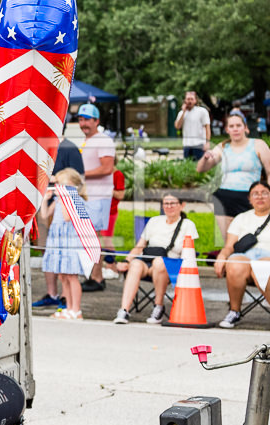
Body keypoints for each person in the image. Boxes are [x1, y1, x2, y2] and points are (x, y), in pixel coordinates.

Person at [213, 181, 270, 331]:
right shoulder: (241, 218)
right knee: (233, 263)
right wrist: (222, 257)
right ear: (249, 199)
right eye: (255, 194)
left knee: (261, 266)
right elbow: (229, 246)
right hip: (246, 258)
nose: (260, 197)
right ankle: (234, 311)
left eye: (264, 193)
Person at [112, 194, 198, 324]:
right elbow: (140, 246)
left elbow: (189, 251)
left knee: (159, 262)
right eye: (166, 204)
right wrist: (126, 260)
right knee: (135, 264)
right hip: (148, 261)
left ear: (182, 205)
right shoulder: (154, 221)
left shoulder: (187, 224)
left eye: (172, 203)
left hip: (172, 265)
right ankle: (124, 310)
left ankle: (158, 307)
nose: (169, 207)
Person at [197, 111, 270, 243]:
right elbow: (201, 169)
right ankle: (229, 261)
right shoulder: (222, 147)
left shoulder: (258, 144)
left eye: (238, 125)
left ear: (245, 128)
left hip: (250, 196)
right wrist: (205, 158)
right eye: (232, 126)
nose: (235, 129)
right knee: (228, 240)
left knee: (250, 237)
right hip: (224, 196)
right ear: (227, 129)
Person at [41, 169, 91, 321]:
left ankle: (76, 309)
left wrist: (64, 197)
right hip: (57, 240)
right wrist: (45, 200)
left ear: (69, 185)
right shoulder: (59, 200)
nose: (55, 186)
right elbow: (44, 215)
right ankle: (68, 307)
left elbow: (67, 217)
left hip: (70, 241)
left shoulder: (75, 199)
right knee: (62, 275)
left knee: (71, 275)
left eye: (58, 183)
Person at [75, 103, 115, 289]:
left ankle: (97, 278)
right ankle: (93, 275)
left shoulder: (103, 140)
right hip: (89, 196)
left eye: (87, 120)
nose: (83, 123)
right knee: (89, 237)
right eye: (81, 119)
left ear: (97, 121)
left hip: (98, 197)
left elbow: (107, 168)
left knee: (94, 237)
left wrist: (79, 175)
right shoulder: (88, 140)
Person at [174, 90, 210, 162]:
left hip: (199, 144)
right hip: (187, 145)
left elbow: (207, 128)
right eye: (188, 99)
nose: (189, 101)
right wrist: (184, 111)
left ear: (195, 100)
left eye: (192, 99)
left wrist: (207, 142)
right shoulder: (181, 113)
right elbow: (177, 126)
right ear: (185, 100)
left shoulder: (202, 111)